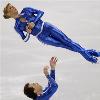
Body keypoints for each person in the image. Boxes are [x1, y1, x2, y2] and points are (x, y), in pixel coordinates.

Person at [3, 3, 100, 63]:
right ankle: (93, 52)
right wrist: (28, 33)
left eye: (12, 6)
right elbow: (24, 39)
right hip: (42, 36)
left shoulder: (26, 10)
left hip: (47, 26)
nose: (14, 8)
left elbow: (41, 12)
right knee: (64, 45)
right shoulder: (17, 26)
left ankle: (90, 57)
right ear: (8, 14)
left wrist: (34, 21)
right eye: (11, 8)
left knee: (67, 41)